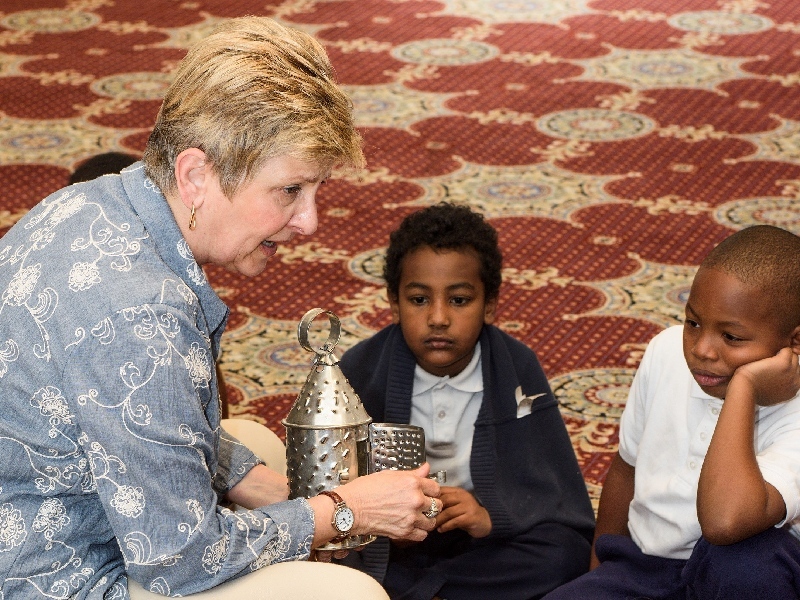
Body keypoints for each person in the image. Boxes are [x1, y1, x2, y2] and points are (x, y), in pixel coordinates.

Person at [0, 17, 442, 599]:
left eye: (316, 191)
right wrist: (341, 512)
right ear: (195, 175)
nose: (309, 221)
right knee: (349, 594)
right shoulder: (142, 314)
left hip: (45, 511)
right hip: (54, 576)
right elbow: (180, 561)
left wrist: (260, 486)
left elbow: (130, 414)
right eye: (289, 191)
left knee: (254, 448)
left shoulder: (95, 201)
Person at [336, 203, 596, 600]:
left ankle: (425, 592)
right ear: (393, 302)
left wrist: (490, 517)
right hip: (395, 536)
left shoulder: (516, 366)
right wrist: (389, 523)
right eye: (419, 300)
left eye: (458, 300)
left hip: (483, 538)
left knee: (564, 554)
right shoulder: (360, 368)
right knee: (338, 556)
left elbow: (551, 490)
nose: (438, 318)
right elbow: (334, 485)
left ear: (489, 305)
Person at [543, 224, 800, 600]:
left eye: (731, 337)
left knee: (744, 560)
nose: (702, 350)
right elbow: (625, 469)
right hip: (646, 565)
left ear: (794, 342)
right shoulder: (665, 352)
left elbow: (725, 521)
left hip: (742, 573)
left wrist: (743, 390)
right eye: (693, 323)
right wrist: (597, 573)